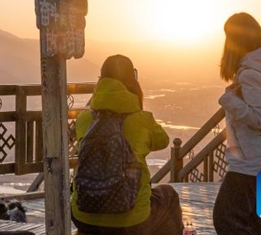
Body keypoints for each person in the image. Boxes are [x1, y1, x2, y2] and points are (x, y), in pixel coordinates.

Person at [70, 55, 183, 234]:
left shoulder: (84, 120)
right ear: (132, 81)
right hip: (131, 221)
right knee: (168, 195)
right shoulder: (142, 120)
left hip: (83, 216)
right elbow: (163, 141)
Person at [213, 13, 261, 235]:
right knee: (257, 224)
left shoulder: (250, 75)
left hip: (251, 164)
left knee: (225, 219)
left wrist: (229, 100)